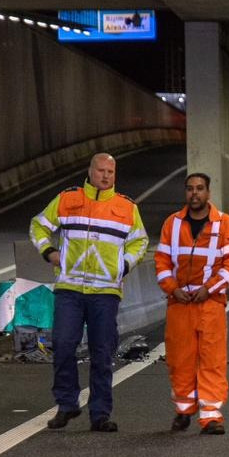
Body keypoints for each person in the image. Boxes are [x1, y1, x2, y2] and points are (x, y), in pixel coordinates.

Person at [29, 153, 148, 432]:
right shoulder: (68, 199)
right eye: (100, 170)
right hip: (69, 288)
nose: (105, 176)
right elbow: (38, 226)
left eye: (110, 172)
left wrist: (124, 265)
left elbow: (140, 242)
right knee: (62, 345)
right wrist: (49, 252)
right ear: (90, 171)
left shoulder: (126, 207)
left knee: (102, 353)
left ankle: (100, 414)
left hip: (105, 292)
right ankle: (67, 404)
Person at [155, 173, 229, 434]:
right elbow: (161, 262)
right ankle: (183, 411)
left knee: (211, 359)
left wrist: (210, 288)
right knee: (179, 359)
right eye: (190, 189)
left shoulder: (223, 223)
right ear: (186, 193)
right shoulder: (172, 224)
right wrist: (173, 288)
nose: (195, 193)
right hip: (179, 303)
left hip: (210, 304)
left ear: (208, 193)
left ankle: (211, 416)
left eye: (200, 189)